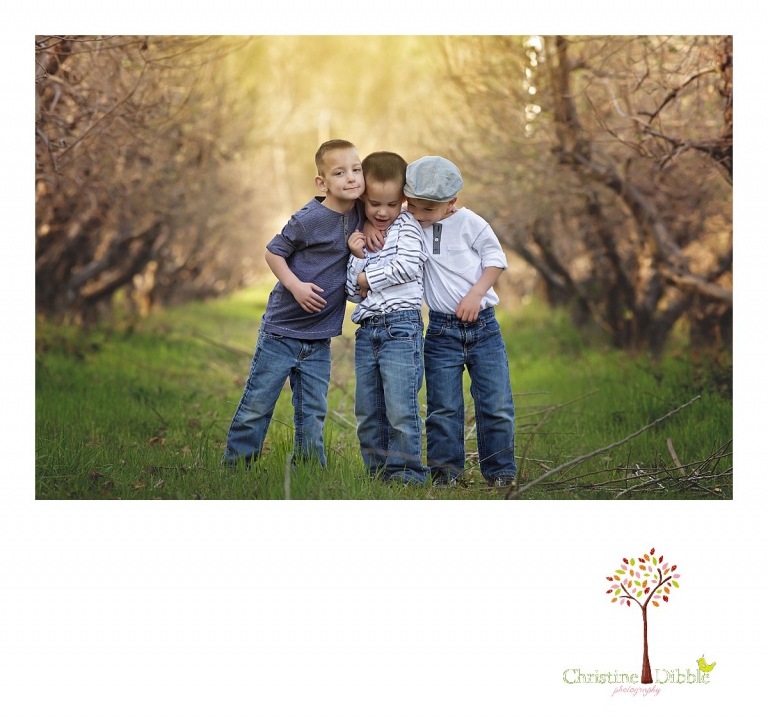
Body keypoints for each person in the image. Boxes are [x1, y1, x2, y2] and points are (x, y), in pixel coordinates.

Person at [222, 139, 366, 468]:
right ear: (322, 182)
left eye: (356, 170)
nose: (351, 178)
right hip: (282, 331)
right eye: (340, 172)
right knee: (257, 405)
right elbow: (273, 252)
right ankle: (235, 469)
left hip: (319, 337)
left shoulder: (362, 213)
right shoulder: (308, 218)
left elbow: (393, 203)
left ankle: (310, 472)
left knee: (313, 411)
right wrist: (296, 287)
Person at [404, 155, 516, 488]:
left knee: (495, 403)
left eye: (428, 210)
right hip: (440, 331)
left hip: (484, 328)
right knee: (443, 409)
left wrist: (476, 293)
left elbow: (495, 260)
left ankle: (500, 473)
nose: (419, 215)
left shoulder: (471, 223)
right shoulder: (410, 223)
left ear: (452, 203)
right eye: (413, 206)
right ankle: (445, 474)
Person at [346, 152, 428, 484]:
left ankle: (407, 474)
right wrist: (356, 254)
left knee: (400, 408)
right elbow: (351, 291)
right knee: (367, 411)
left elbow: (409, 266)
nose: (383, 212)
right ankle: (377, 473)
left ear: (404, 199)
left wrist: (368, 277)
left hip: (400, 328)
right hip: (367, 331)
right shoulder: (360, 234)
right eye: (375, 204)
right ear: (363, 197)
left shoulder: (407, 226)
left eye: (392, 204)